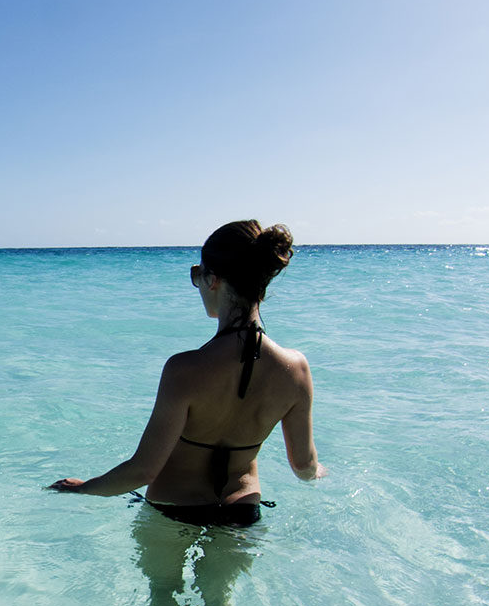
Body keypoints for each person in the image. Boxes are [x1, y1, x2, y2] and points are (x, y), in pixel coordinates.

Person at [47, 219, 326, 524]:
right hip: (242, 511)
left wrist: (85, 488)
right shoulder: (296, 369)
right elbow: (303, 466)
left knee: (164, 576)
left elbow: (144, 470)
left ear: (213, 280)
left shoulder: (185, 369)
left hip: (172, 510)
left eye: (197, 274)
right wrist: (320, 473)